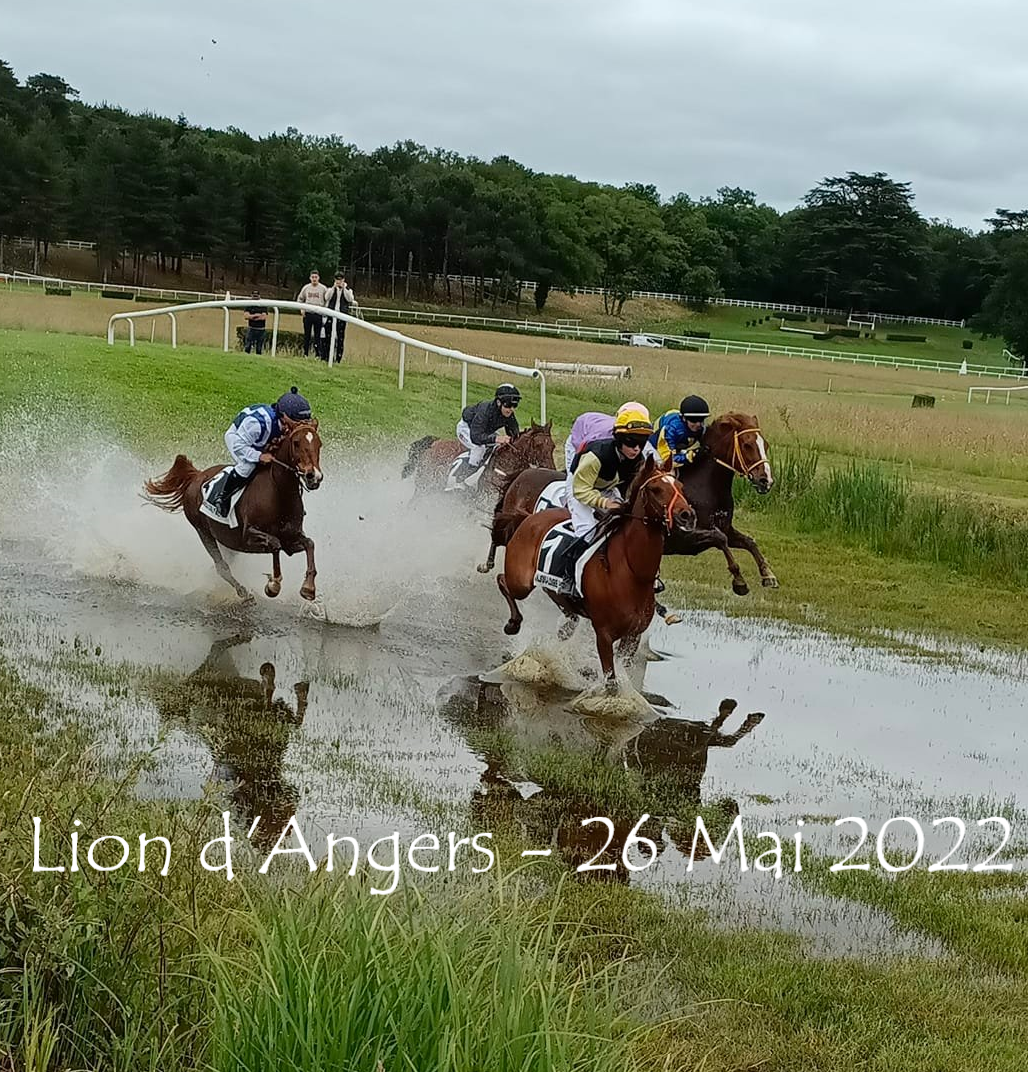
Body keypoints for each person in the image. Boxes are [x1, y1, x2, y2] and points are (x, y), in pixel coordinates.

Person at [553, 408, 654, 590]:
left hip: (606, 486)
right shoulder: (596, 456)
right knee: (587, 529)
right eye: (632, 443)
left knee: (626, 523)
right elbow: (581, 490)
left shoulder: (638, 456)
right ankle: (568, 577)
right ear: (620, 439)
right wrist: (605, 503)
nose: (636, 449)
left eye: (641, 443)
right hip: (580, 485)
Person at [206, 387, 314, 519]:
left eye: (306, 421)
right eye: (298, 421)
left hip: (262, 439)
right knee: (248, 466)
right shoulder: (257, 424)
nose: (301, 425)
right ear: (285, 417)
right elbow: (238, 445)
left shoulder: (286, 424)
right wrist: (259, 456)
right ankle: (222, 498)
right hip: (239, 440)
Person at [448, 383, 521, 489]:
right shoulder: (485, 411)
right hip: (467, 429)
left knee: (498, 447)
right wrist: (496, 438)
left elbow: (515, 436)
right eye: (508, 405)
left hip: (484, 432)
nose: (511, 409)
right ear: (498, 402)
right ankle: (462, 481)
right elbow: (476, 437)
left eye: (515, 406)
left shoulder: (509, 414)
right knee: (479, 448)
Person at [563, 402, 658, 470]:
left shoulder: (635, 435)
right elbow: (583, 449)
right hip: (580, 440)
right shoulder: (602, 435)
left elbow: (649, 450)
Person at [651, 395, 711, 471]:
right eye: (694, 420)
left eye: (701, 420)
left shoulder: (701, 428)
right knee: (667, 472)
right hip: (656, 446)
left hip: (677, 445)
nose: (698, 424)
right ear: (684, 418)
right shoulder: (672, 430)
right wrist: (689, 456)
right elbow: (669, 460)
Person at [321, 272, 355, 363]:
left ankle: (338, 358)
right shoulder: (331, 289)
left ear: (343, 280)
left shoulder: (348, 290)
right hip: (331, 315)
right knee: (328, 337)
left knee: (340, 338)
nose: (338, 281)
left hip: (341, 316)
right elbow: (327, 297)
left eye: (340, 279)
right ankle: (327, 356)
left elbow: (350, 299)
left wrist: (344, 289)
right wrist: (333, 288)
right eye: (337, 279)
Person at [296, 270, 328, 357]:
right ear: (310, 278)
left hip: (318, 314)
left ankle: (318, 354)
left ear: (318, 278)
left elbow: (327, 300)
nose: (314, 279)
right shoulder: (306, 288)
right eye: (312, 277)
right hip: (308, 314)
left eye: (316, 277)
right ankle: (305, 353)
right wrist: (301, 309)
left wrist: (324, 310)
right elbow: (300, 299)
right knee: (307, 335)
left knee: (318, 336)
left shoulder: (323, 288)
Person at [243, 290, 267, 354]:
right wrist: (257, 315)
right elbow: (246, 316)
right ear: (251, 296)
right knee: (248, 346)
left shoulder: (263, 305)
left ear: (259, 296)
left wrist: (252, 317)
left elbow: (263, 317)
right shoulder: (249, 305)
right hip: (251, 328)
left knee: (259, 348)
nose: (255, 297)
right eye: (254, 296)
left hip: (261, 329)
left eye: (256, 296)